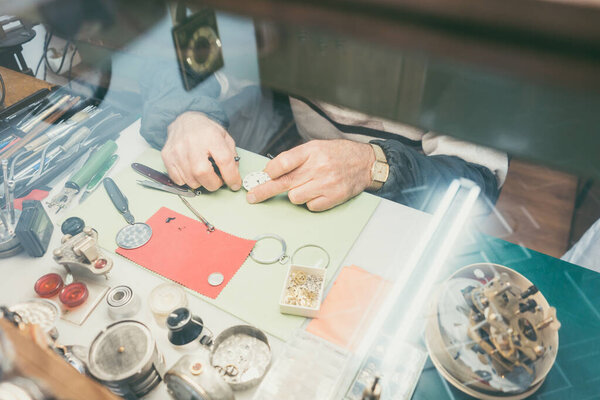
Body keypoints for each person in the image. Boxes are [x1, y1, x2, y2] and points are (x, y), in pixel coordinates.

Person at [139, 47, 507, 213]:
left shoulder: (460, 41)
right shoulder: (282, 19)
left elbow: (479, 186)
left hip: (407, 206)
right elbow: (186, 60)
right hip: (306, 194)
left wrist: (372, 165)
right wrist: (186, 115)